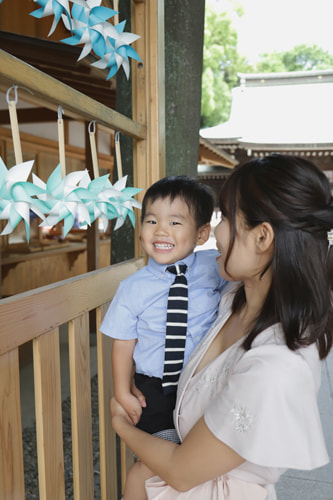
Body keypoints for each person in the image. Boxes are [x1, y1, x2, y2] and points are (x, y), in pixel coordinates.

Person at [111, 154, 333, 500]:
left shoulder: (277, 366)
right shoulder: (231, 299)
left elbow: (183, 473)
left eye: (226, 218)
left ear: (263, 238)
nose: (214, 230)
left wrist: (120, 425)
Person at [100, 176, 227, 498]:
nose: (160, 231)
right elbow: (123, 343)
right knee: (160, 457)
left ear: (201, 233)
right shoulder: (132, 287)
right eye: (152, 221)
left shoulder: (215, 267)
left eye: (175, 222)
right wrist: (122, 392)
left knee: (195, 454)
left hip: (200, 382)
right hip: (153, 387)